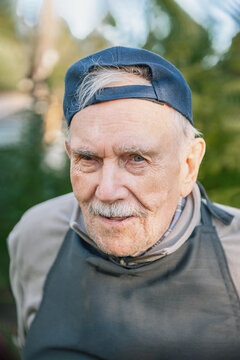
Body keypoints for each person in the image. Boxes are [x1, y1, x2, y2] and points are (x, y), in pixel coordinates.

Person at [8, 46, 240, 360]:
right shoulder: (36, 235)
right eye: (87, 158)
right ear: (69, 156)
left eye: (136, 159)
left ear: (188, 165)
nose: (107, 191)